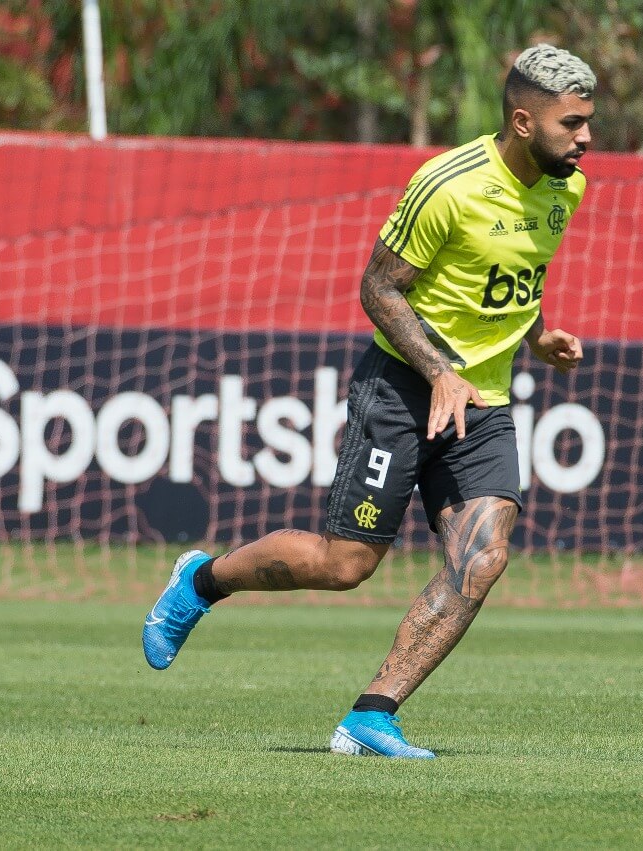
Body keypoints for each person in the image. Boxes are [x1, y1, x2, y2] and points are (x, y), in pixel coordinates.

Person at [142, 43, 596, 759]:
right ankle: (201, 579)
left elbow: (514, 277)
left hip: (483, 405)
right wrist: (440, 369)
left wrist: (537, 338)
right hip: (402, 387)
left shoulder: (565, 189)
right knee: (345, 563)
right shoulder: (448, 185)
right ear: (521, 121)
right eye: (572, 123)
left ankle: (371, 715)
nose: (586, 138)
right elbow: (379, 288)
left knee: (482, 557)